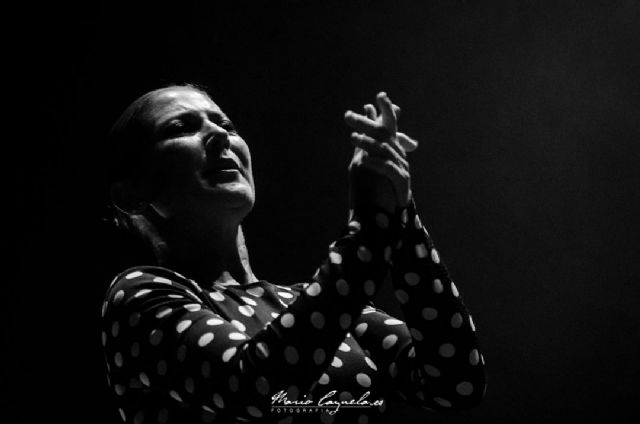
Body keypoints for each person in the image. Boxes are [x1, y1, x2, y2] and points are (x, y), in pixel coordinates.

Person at [100, 84, 486, 424]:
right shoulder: (140, 296)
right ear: (132, 193)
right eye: (181, 127)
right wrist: (370, 223)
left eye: (226, 125)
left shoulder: (314, 305)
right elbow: (258, 386)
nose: (218, 134)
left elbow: (455, 383)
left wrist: (398, 210)